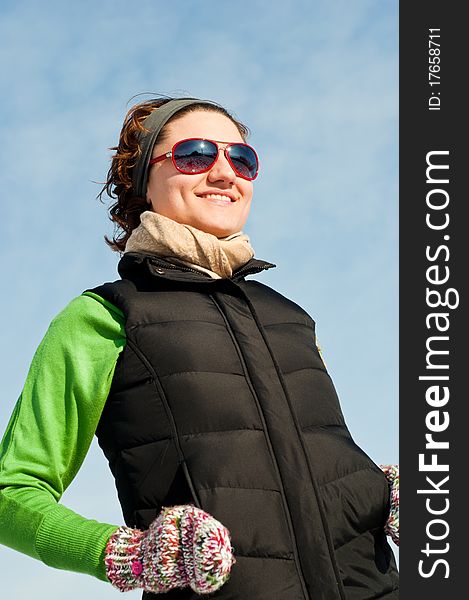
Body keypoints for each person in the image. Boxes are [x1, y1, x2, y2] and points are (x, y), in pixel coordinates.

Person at [0, 96, 399, 599]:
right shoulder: (103, 317)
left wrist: (376, 491)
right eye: (195, 154)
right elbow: (11, 495)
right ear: (143, 180)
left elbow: (305, 461)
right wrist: (130, 554)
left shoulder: (290, 317)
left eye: (242, 159)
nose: (224, 172)